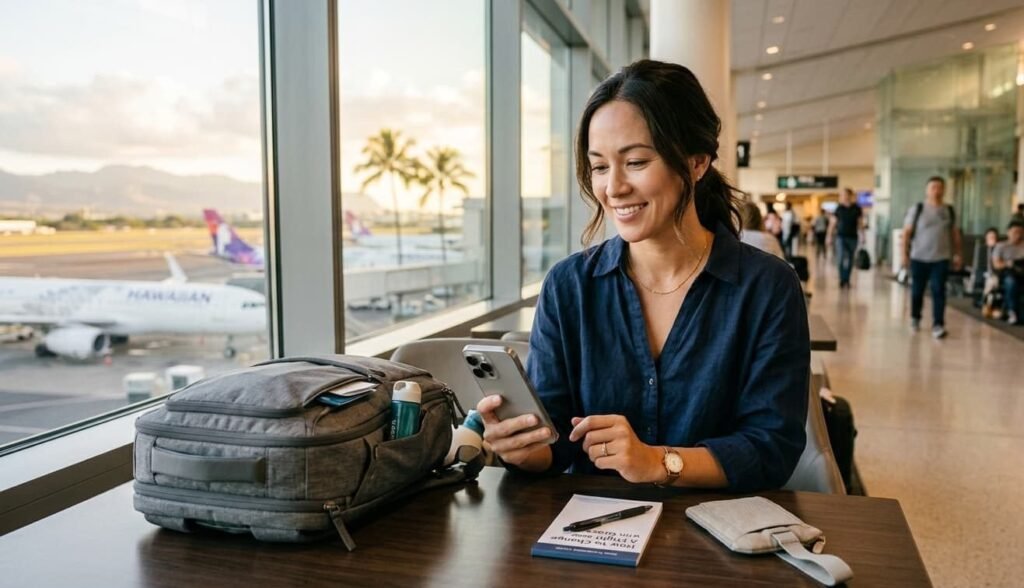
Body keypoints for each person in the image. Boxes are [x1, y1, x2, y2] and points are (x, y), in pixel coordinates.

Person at [476, 60, 809, 493]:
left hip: (715, 538)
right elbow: (556, 443)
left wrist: (657, 461)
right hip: (590, 537)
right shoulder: (569, 286)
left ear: (696, 162)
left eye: (635, 161)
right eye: (599, 167)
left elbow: (771, 449)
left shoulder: (766, 287)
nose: (613, 187)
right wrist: (523, 448)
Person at [902, 176, 963, 339]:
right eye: (933, 187)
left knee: (938, 290)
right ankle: (915, 317)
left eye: (939, 187)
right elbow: (906, 233)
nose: (936, 190)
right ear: (927, 190)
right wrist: (904, 255)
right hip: (919, 257)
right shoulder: (918, 209)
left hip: (941, 258)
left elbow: (954, 233)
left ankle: (938, 324)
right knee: (917, 291)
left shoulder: (948, 210)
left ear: (943, 190)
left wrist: (958, 254)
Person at [827, 188, 863, 289]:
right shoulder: (839, 208)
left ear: (850, 196)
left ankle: (847, 279)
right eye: (841, 195)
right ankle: (842, 279)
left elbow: (860, 223)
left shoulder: (857, 208)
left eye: (844, 195)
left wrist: (863, 235)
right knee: (841, 258)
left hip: (853, 237)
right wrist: (829, 236)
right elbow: (832, 224)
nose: (842, 197)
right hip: (840, 237)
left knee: (850, 259)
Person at [992, 219, 1024, 325]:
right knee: (1011, 282)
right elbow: (996, 264)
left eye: (1020, 232)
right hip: (1007, 273)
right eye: (1015, 232)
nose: (1018, 235)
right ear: (1008, 232)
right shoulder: (1001, 246)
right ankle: (1012, 311)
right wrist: (1008, 264)